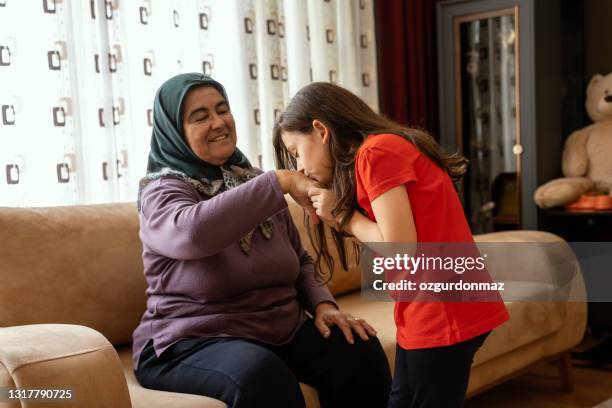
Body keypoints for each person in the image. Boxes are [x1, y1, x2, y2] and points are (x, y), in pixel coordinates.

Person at [131, 73, 391, 408]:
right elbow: (191, 234)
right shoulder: (162, 191)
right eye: (200, 116)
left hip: (278, 330)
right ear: (174, 132)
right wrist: (278, 181)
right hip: (191, 340)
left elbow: (299, 260)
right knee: (259, 375)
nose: (218, 122)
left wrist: (323, 305)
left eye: (222, 110)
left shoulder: (251, 182)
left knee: (359, 350)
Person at [273, 82, 510, 408]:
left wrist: (343, 215)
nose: (299, 166)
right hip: (432, 307)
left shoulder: (376, 152)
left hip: (441, 310)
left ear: (320, 130)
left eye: (297, 152)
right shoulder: (385, 148)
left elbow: (400, 248)